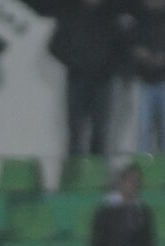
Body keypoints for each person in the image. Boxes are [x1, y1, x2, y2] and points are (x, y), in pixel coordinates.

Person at [48, 0, 121, 159]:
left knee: (99, 132)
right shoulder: (70, 14)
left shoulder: (110, 15)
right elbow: (54, 46)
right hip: (77, 80)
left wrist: (108, 66)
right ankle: (74, 177)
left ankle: (96, 176)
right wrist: (73, 62)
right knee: (75, 132)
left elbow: (121, 47)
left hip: (102, 81)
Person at [127, 0, 165, 169]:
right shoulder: (138, 16)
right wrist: (141, 55)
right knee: (144, 131)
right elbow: (131, 44)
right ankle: (144, 172)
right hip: (146, 81)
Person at [90, 165, 156, 246]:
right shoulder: (105, 211)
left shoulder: (144, 213)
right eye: (132, 181)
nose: (136, 186)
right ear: (121, 182)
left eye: (138, 182)